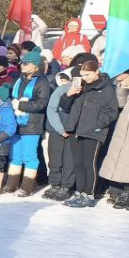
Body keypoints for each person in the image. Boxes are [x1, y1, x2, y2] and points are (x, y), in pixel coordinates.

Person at [59, 58, 119, 207]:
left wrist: (97, 124)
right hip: (75, 131)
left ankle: (89, 195)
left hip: (93, 132)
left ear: (96, 72)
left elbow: (112, 112)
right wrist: (69, 94)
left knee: (89, 164)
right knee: (78, 164)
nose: (85, 78)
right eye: (82, 75)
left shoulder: (106, 88)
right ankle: (80, 193)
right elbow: (64, 107)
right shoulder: (80, 87)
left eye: (88, 75)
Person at [5, 48, 51, 197]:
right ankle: (11, 184)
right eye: (22, 62)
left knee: (29, 156)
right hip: (16, 123)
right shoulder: (19, 79)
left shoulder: (42, 82)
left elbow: (41, 104)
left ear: (35, 66)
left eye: (25, 63)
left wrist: (21, 105)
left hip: (32, 124)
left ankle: (27, 187)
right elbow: (11, 96)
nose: (22, 65)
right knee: (15, 155)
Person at [99, 74, 129, 209]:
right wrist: (122, 87)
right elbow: (121, 103)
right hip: (125, 130)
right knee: (125, 164)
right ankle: (127, 192)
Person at [42, 70, 75, 201]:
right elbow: (51, 109)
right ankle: (55, 183)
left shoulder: (80, 91)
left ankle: (66, 186)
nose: (64, 82)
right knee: (54, 158)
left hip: (72, 130)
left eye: (66, 79)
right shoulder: (58, 91)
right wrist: (60, 128)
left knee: (69, 160)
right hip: (56, 129)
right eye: (61, 79)